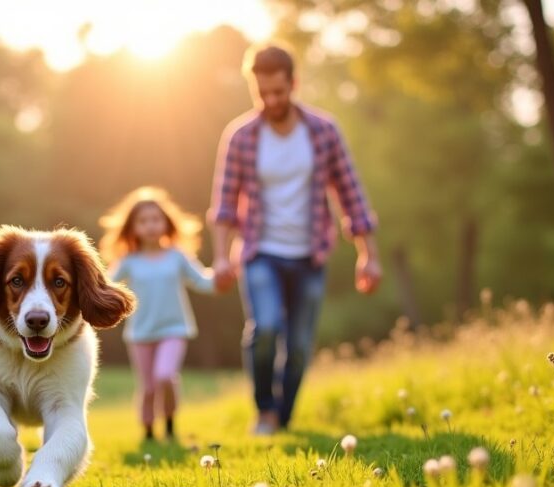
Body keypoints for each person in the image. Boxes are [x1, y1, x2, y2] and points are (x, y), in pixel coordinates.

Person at [209, 43, 382, 435]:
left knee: (300, 347)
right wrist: (221, 257)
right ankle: (265, 411)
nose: (271, 100)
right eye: (262, 93)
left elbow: (351, 194)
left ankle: (284, 417)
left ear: (294, 83)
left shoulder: (323, 131)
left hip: (310, 255)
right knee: (266, 327)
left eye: (278, 92)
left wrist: (368, 255)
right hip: (260, 252)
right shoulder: (241, 136)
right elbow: (224, 205)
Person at [102, 187, 221, 442]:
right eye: (143, 221)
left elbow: (202, 281)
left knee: (165, 376)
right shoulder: (129, 261)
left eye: (156, 219)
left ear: (166, 222)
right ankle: (147, 431)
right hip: (140, 333)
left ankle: (169, 422)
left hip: (174, 329)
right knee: (147, 387)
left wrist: (222, 278)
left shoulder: (177, 256)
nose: (151, 226)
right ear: (132, 228)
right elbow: (106, 286)